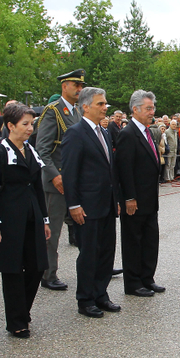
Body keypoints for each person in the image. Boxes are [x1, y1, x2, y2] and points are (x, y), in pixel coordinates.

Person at [0, 103, 50, 338]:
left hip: (32, 216)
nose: (30, 128)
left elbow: (38, 187)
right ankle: (16, 321)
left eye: (32, 124)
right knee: (12, 270)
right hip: (9, 218)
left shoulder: (30, 150)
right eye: (25, 124)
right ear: (10, 125)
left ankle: (22, 310)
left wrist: (45, 219)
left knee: (37, 266)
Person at [61, 87, 120, 318]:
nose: (105, 108)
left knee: (106, 252)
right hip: (87, 206)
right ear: (85, 106)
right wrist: (73, 205)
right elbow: (70, 173)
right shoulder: (75, 133)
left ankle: (100, 294)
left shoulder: (104, 132)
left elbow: (110, 169)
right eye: (100, 104)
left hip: (106, 204)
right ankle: (85, 299)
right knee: (89, 254)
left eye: (105, 103)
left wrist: (115, 199)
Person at [35, 70, 85, 291]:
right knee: (52, 232)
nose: (79, 89)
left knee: (84, 226)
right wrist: (54, 175)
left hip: (75, 181)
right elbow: (42, 150)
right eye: (76, 85)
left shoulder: (77, 112)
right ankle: (48, 273)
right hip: (57, 183)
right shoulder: (53, 111)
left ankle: (92, 263)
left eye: (81, 86)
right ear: (64, 86)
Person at [116, 90, 165, 298]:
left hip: (149, 199)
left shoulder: (148, 132)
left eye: (153, 108)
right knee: (133, 242)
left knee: (150, 240)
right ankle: (133, 283)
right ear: (135, 110)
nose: (152, 112)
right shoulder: (128, 134)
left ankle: (147, 278)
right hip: (135, 200)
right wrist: (129, 197)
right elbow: (124, 169)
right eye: (148, 108)